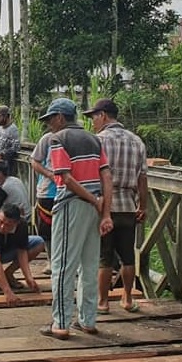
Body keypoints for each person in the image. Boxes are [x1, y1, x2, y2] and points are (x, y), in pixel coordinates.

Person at [39, 98, 113, 340]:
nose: (49, 125)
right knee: (89, 265)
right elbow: (107, 177)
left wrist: (93, 201)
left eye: (51, 119)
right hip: (95, 207)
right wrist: (104, 211)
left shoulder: (59, 140)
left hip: (72, 204)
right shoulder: (94, 139)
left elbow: (67, 179)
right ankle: (88, 319)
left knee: (62, 266)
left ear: (60, 117)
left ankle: (60, 322)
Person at [84, 99, 147, 315]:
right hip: (129, 205)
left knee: (105, 255)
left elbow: (93, 174)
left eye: (94, 117)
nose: (93, 121)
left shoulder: (97, 141)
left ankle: (102, 302)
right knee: (128, 255)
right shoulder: (136, 141)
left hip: (105, 207)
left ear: (103, 115)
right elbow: (142, 178)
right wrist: (143, 205)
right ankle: (127, 298)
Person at [30, 130, 56, 276]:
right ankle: (51, 260)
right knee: (46, 229)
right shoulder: (48, 138)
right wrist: (49, 174)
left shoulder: (78, 138)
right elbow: (34, 161)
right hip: (48, 191)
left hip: (71, 191)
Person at [0, 105, 21, 176]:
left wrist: (2, 154)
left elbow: (16, 147)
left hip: (6, 165)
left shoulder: (13, 129)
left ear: (5, 116)